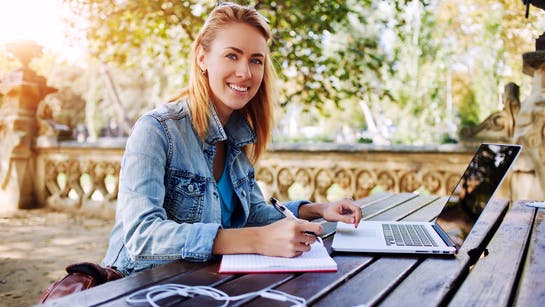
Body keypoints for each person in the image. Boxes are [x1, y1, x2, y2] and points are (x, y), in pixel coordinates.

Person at [102, 2, 362, 277]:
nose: (246, 73)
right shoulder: (156, 130)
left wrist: (317, 209)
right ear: (202, 58)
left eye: (255, 60)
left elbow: (251, 214)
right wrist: (257, 240)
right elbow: (142, 237)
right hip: (139, 289)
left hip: (203, 286)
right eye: (232, 56)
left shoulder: (238, 135)